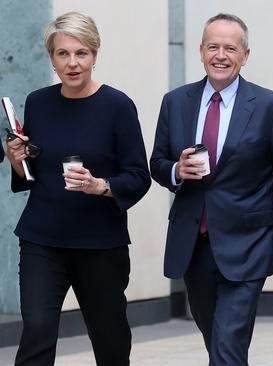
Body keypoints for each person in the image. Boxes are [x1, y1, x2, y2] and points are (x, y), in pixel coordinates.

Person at [150, 13, 273, 365]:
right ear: (201, 51)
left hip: (248, 242)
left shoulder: (269, 106)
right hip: (193, 244)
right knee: (217, 341)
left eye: (230, 48)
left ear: (245, 55)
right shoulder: (175, 102)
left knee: (228, 343)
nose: (221, 55)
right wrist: (177, 169)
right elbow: (156, 163)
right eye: (213, 47)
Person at [4, 11, 151, 366]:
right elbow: (33, 174)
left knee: (110, 340)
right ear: (51, 57)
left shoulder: (118, 106)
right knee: (37, 330)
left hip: (100, 244)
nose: (72, 63)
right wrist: (16, 159)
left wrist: (100, 185)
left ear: (95, 55)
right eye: (62, 54)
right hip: (42, 239)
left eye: (81, 53)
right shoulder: (38, 101)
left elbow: (138, 176)